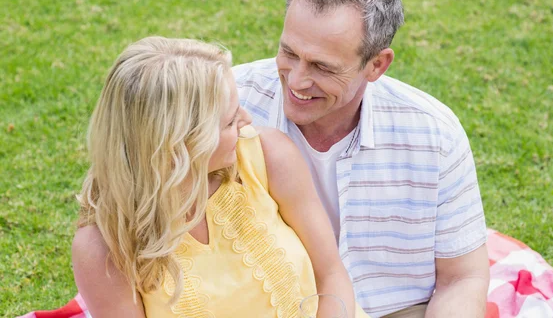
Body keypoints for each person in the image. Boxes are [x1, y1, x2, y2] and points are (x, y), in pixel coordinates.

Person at [233, 0, 490, 318]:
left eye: (323, 67)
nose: (296, 81)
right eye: (289, 52)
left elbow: (461, 279)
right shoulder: (227, 105)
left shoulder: (435, 134)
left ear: (377, 65)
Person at [71, 37, 368, 317]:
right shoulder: (104, 245)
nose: (247, 120)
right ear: (178, 145)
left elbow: (331, 274)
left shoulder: (268, 156)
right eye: (229, 121)